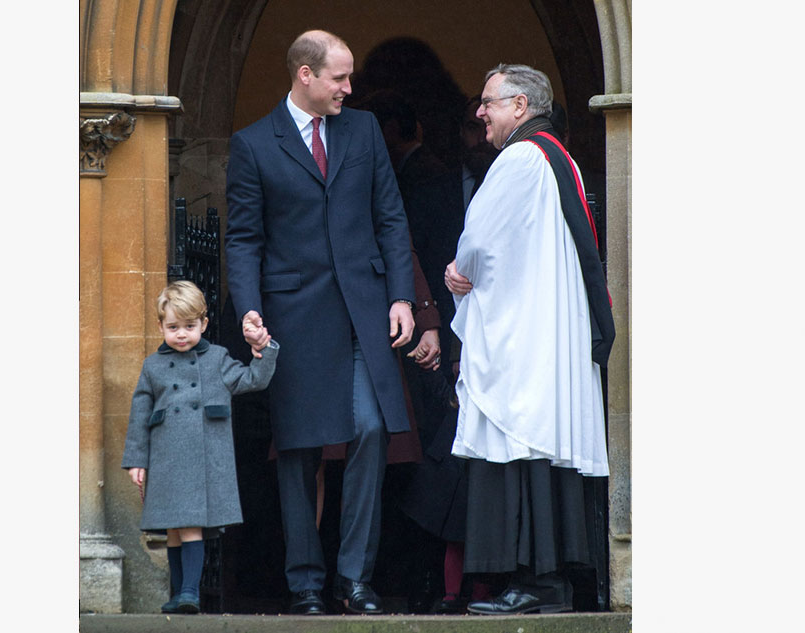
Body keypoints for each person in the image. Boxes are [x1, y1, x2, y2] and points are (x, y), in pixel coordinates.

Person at [224, 30, 415, 615]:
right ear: (305, 75)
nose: (349, 88)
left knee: (370, 429)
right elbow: (244, 239)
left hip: (362, 312)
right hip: (294, 317)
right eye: (339, 78)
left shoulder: (364, 130)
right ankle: (305, 581)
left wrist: (402, 297)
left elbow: (390, 216)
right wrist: (249, 309)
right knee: (300, 450)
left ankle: (354, 577)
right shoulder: (255, 144)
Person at [444, 64, 615, 615]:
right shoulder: (555, 155)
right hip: (549, 326)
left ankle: (532, 583)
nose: (480, 113)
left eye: (488, 102)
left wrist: (455, 272)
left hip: (525, 335)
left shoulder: (518, 158)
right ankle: (551, 585)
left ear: (520, 106)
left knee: (517, 436)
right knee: (543, 443)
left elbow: (478, 239)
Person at [121, 281, 279, 614]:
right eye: (173, 327)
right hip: (166, 458)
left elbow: (253, 380)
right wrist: (137, 460)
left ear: (204, 325)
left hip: (203, 457)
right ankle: (180, 593)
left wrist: (263, 351)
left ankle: (189, 592)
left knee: (190, 522)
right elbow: (139, 414)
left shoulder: (217, 358)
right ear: (161, 326)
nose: (181, 334)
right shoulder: (152, 367)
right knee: (174, 529)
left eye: (189, 327)